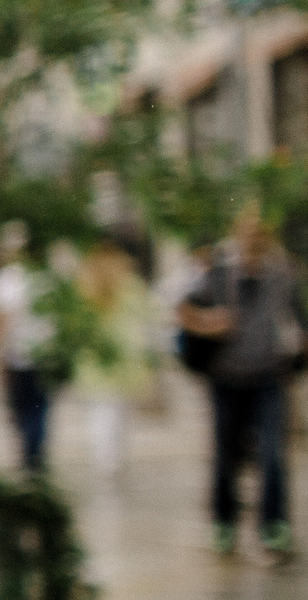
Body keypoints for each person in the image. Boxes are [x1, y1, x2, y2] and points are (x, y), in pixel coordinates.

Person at [176, 205, 305, 558]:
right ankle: (224, 523)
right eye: (245, 231)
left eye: (257, 231)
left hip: (268, 377)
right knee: (224, 456)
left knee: (272, 455)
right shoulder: (216, 274)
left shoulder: (282, 276)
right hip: (227, 380)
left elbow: (299, 321)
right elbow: (181, 309)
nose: (251, 238)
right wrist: (208, 322)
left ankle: (273, 527)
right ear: (236, 233)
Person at [73, 239, 155, 479]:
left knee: (102, 411)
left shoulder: (85, 287)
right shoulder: (130, 286)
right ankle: (112, 460)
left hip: (98, 359)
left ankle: (106, 460)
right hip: (122, 359)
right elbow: (148, 318)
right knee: (116, 412)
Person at [0, 224, 55, 474]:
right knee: (39, 407)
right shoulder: (46, 278)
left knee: (23, 407)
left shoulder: (6, 280)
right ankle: (34, 453)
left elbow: (1, 321)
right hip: (43, 354)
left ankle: (29, 454)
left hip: (19, 354)